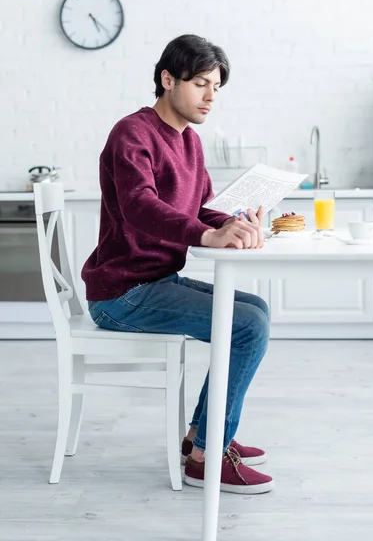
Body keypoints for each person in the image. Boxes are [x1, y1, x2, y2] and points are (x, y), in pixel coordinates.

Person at [81, 34, 274, 494]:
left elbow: (200, 206)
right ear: (168, 80)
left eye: (217, 87)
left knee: (256, 312)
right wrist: (209, 235)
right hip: (121, 293)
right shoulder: (132, 133)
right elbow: (138, 205)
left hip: (156, 280)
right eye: (201, 84)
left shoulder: (190, 141)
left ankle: (199, 438)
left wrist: (236, 222)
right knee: (247, 325)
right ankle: (208, 456)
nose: (211, 97)